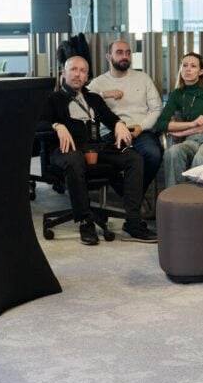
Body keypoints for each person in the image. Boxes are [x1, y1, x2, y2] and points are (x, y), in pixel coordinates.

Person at [41, 56, 154, 245]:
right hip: (66, 150)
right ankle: (86, 222)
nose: (77, 74)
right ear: (64, 73)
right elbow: (38, 123)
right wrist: (57, 125)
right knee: (74, 160)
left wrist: (118, 124)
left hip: (94, 149)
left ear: (87, 76)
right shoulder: (53, 99)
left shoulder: (94, 98)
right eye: (73, 69)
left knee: (134, 158)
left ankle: (133, 223)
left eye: (82, 71)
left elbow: (110, 117)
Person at [88, 40, 164, 195]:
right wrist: (104, 94)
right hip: (111, 134)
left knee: (153, 155)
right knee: (103, 159)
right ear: (108, 56)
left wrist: (141, 127)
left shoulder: (143, 78)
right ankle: (130, 196)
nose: (125, 56)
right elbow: (81, 102)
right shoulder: (98, 83)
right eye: (119, 52)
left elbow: (156, 109)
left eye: (128, 53)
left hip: (140, 131)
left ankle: (133, 196)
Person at [153, 53, 203, 189]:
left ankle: (197, 203)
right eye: (184, 65)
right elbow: (161, 123)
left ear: (201, 71)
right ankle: (176, 198)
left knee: (201, 158)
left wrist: (182, 132)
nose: (187, 69)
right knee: (172, 153)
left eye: (193, 66)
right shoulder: (177, 94)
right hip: (190, 140)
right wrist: (192, 124)